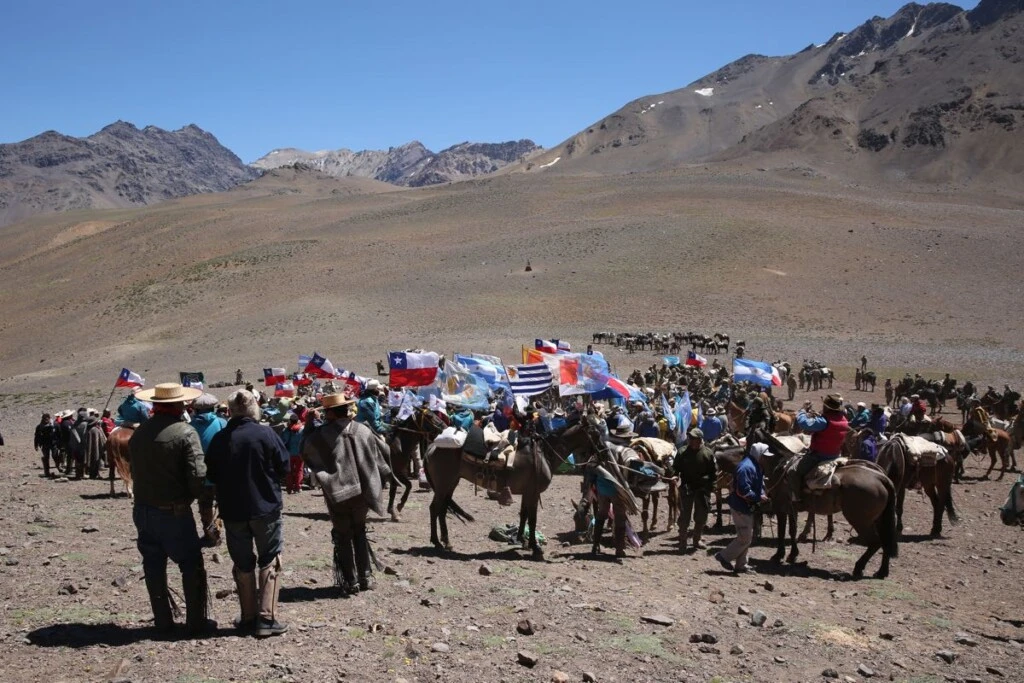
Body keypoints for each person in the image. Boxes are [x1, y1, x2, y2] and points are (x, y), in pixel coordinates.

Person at [127, 383, 216, 637]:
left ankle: (162, 622)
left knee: (153, 566)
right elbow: (197, 476)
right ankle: (196, 622)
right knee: (191, 565)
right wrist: (197, 496)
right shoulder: (185, 432)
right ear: (177, 405)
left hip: (143, 510)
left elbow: (134, 471)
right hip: (174, 512)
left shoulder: (140, 432)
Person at [206, 390, 290, 637]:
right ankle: (267, 618)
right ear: (254, 408)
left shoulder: (220, 439)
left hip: (232, 511)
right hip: (265, 507)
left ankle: (248, 616)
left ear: (230, 410)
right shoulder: (266, 434)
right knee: (270, 558)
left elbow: (211, 474)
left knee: (242, 563)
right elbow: (284, 466)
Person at [302, 393, 392, 595]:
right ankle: (365, 577)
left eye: (326, 412)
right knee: (359, 530)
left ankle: (350, 581)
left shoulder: (321, 434)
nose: (325, 415)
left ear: (331, 413)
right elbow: (382, 451)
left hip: (337, 492)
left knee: (343, 535)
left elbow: (306, 449)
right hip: (363, 491)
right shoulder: (363, 430)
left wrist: (308, 425)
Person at [715, 442, 769, 574]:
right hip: (741, 506)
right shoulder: (746, 468)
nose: (766, 458)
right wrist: (758, 497)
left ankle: (741, 564)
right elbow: (742, 491)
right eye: (764, 456)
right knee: (744, 537)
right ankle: (724, 556)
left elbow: (756, 484)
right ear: (759, 455)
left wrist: (761, 492)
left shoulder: (755, 465)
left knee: (746, 536)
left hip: (745, 505)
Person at [791, 394, 850, 506]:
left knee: (793, 472)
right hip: (836, 454)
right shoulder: (844, 420)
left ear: (827, 407)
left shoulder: (823, 422)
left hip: (819, 456)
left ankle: (797, 499)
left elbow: (804, 424)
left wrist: (803, 410)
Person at [673, 428, 717, 552]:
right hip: (687, 488)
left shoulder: (708, 453)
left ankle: (696, 540)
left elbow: (714, 473)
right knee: (684, 516)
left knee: (701, 516)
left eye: (693, 438)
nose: (690, 440)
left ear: (700, 440)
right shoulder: (682, 452)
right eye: (690, 438)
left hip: (703, 489)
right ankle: (682, 542)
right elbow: (675, 468)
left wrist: (712, 487)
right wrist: (674, 475)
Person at [281, 413, 305, 494]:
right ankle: (298, 487)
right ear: (297, 420)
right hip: (299, 453)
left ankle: (289, 488)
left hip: (289, 454)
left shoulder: (287, 430)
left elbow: (284, 441)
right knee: (299, 470)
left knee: (289, 471)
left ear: (290, 421)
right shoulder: (302, 429)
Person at [83, 409, 108, 479]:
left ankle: (92, 474)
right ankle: (95, 474)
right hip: (96, 449)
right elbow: (102, 439)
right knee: (96, 460)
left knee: (91, 460)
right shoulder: (95, 430)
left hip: (90, 449)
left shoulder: (88, 430)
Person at [34, 413, 59, 478]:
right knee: (46, 458)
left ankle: (59, 467)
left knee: (55, 455)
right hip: (44, 444)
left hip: (53, 443)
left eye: (47, 418)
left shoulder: (54, 425)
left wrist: (59, 443)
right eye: (44, 419)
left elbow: (59, 434)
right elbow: (37, 436)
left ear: (49, 418)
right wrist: (36, 445)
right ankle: (46, 472)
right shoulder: (39, 427)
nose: (46, 420)